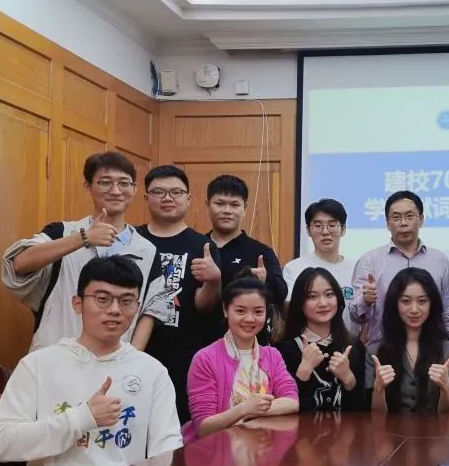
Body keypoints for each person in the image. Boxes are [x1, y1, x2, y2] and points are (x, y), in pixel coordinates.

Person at [0, 256, 182, 466]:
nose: (115, 310)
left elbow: (167, 451)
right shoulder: (37, 365)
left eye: (126, 301)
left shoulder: (152, 371)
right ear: (78, 303)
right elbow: (4, 444)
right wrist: (82, 417)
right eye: (102, 299)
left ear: (137, 307)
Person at [1, 151, 167, 351]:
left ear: (134, 190)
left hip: (114, 360)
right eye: (105, 182)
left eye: (124, 183)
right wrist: (82, 238)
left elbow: (150, 312)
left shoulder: (148, 250)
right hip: (56, 356)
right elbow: (19, 263)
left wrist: (130, 359)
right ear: (88, 187)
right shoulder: (62, 232)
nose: (116, 191)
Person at [136, 165, 222, 425]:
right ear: (146, 197)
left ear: (189, 198)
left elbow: (204, 306)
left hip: (183, 356)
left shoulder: (202, 245)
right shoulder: (132, 240)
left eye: (176, 192)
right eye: (158, 192)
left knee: (178, 428)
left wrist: (214, 280)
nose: (167, 198)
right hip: (134, 350)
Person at [184, 273, 299, 442]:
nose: (249, 319)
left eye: (258, 311)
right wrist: (244, 409)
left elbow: (292, 401)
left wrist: (255, 410)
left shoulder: (272, 355)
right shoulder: (205, 359)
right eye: (240, 311)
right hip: (216, 451)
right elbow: (204, 427)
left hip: (262, 449)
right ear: (225, 310)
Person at [350, 191, 449, 345]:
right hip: (382, 350)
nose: (403, 223)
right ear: (387, 223)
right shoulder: (369, 261)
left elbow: (448, 312)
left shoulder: (439, 260)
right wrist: (365, 301)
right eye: (396, 217)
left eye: (409, 216)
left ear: (421, 220)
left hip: (431, 350)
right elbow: (355, 316)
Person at [367, 268, 449, 413]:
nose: (414, 309)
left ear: (432, 304)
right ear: (394, 303)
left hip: (434, 427)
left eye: (422, 301)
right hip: (391, 427)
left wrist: (446, 388)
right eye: (406, 301)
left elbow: (448, 414)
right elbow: (376, 415)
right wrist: (379, 388)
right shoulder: (375, 351)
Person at [277, 267, 367, 412]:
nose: (323, 303)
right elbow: (281, 409)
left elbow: (362, 411)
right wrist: (304, 370)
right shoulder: (284, 350)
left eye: (329, 294)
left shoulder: (354, 347)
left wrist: (349, 379)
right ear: (300, 302)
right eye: (312, 296)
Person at [205, 174, 287, 299]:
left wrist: (265, 280)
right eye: (220, 203)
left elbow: (281, 293)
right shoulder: (195, 246)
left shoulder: (261, 252)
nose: (227, 210)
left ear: (245, 208)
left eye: (234, 205)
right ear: (208, 205)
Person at [282, 199, 357, 333]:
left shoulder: (356, 268)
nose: (325, 232)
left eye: (332, 225)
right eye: (318, 225)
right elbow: (291, 311)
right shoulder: (293, 268)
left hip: (350, 341)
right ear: (308, 230)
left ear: (343, 229)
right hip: (307, 341)